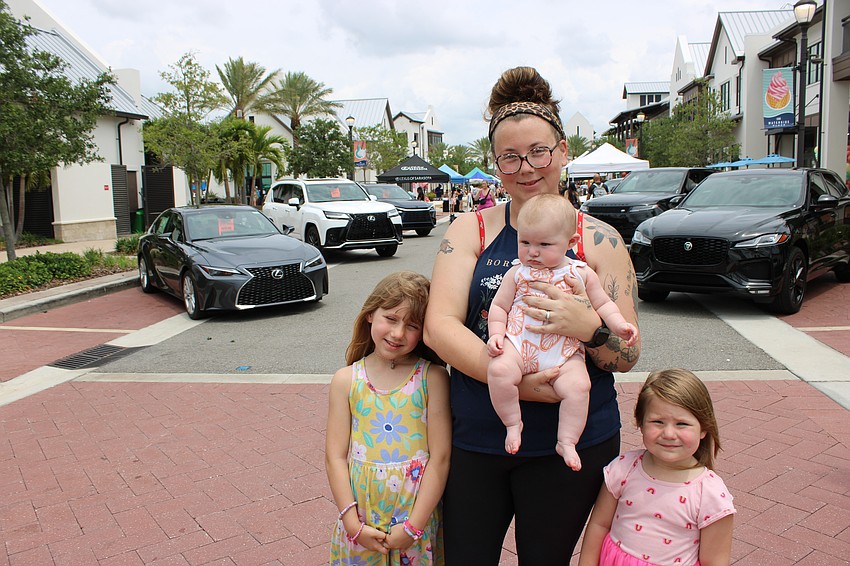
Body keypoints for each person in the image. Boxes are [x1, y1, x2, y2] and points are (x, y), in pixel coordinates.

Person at [424, 66, 640, 564]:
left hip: (573, 441)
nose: (526, 168)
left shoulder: (600, 240)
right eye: (510, 156)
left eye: (539, 151)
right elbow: (440, 327)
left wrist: (588, 328)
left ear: (562, 150)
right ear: (496, 163)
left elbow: (628, 354)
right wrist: (517, 383)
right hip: (478, 434)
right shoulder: (471, 229)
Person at [486, 194, 638, 470]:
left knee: (579, 387)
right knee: (498, 371)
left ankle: (567, 440)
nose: (532, 252)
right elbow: (499, 306)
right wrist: (496, 334)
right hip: (518, 345)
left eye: (544, 244)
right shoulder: (517, 273)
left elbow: (604, 304)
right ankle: (512, 422)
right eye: (525, 242)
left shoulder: (581, 273)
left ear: (571, 242)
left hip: (564, 353)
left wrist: (619, 325)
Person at [326, 271, 451, 564]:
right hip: (361, 522)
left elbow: (441, 458)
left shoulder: (432, 378)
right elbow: (334, 456)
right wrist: (352, 524)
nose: (397, 333)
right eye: (391, 319)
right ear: (370, 314)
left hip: (415, 523)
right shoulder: (346, 380)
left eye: (412, 325)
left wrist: (413, 527)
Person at [579, 369, 736, 565]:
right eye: (658, 422)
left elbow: (715, 561)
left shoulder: (710, 494)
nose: (669, 434)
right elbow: (599, 525)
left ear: (704, 428)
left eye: (682, 424)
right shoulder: (623, 468)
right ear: (641, 423)